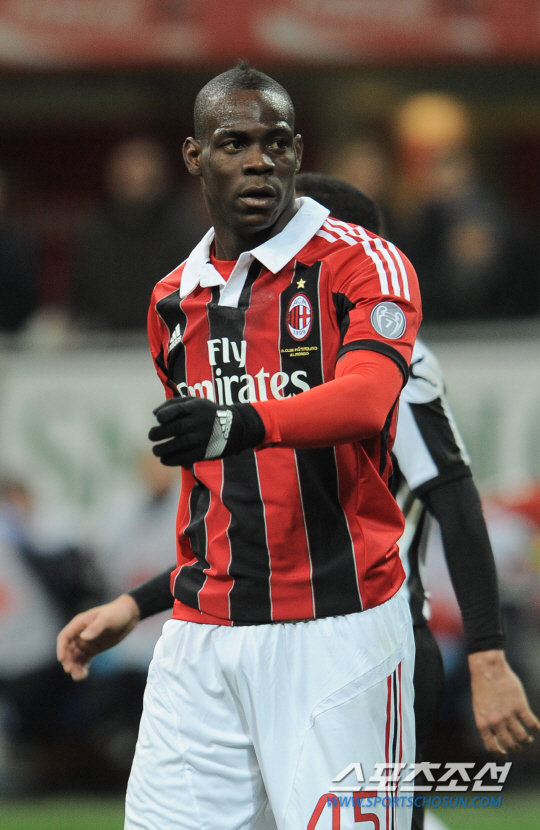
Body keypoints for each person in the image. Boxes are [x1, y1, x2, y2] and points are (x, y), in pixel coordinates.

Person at [59, 172, 540, 828]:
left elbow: (455, 502)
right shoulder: (263, 359)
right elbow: (261, 531)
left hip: (364, 641)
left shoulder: (397, 367)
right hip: (264, 638)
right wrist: (135, 604)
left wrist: (486, 654)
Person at [59, 62, 422, 830]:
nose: (260, 161)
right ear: (195, 157)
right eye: (235, 144)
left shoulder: (363, 263)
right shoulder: (171, 299)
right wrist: (138, 603)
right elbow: (220, 500)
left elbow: (365, 400)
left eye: (277, 143)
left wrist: (240, 423)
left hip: (339, 631)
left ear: (298, 152)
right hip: (203, 636)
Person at [71, 137, 207, 331]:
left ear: (161, 179)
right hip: (105, 342)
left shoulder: (184, 232)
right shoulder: (95, 234)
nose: (136, 183)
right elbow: (82, 305)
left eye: (144, 179)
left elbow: (197, 300)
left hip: (172, 336)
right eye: (127, 179)